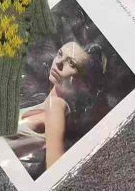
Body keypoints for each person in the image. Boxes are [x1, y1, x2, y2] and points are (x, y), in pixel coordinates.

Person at [8, 39, 107, 177]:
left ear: (84, 85)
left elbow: (56, 175)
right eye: (60, 54)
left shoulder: (57, 106)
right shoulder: (44, 104)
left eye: (71, 63)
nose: (59, 62)